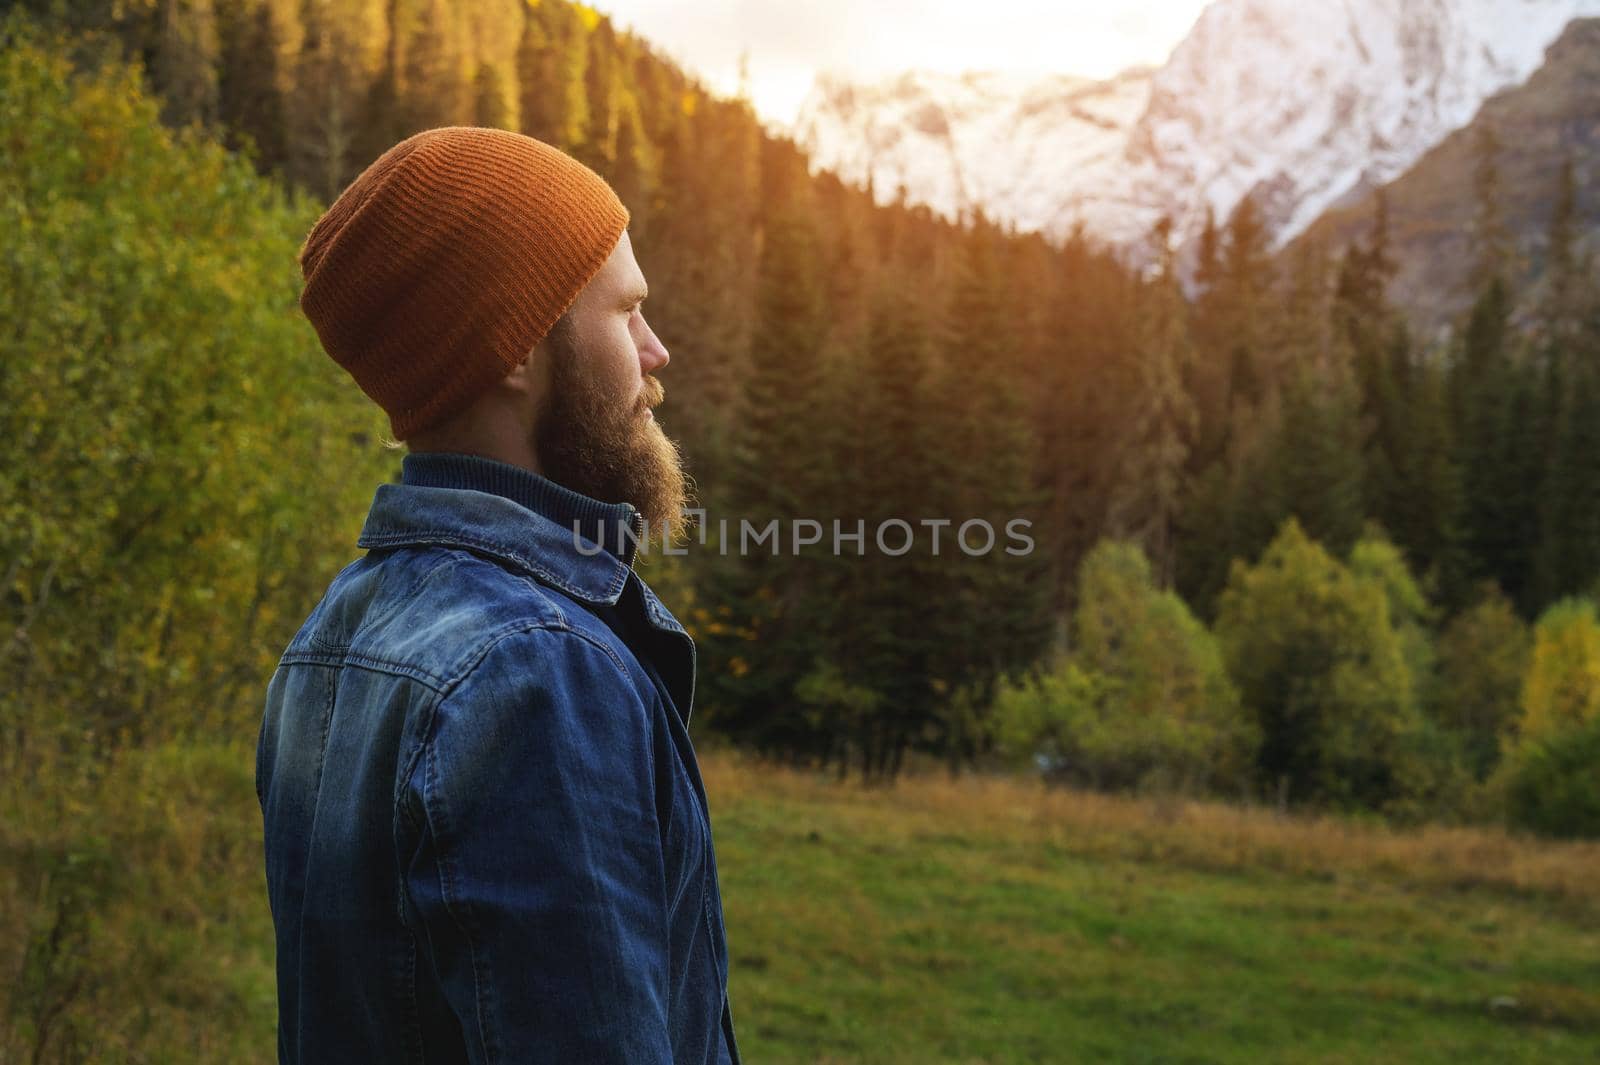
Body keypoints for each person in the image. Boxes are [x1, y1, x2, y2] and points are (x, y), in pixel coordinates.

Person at [255, 125, 740, 1065]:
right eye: (625, 313)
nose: (657, 350)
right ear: (516, 347)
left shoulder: (330, 636)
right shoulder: (539, 669)